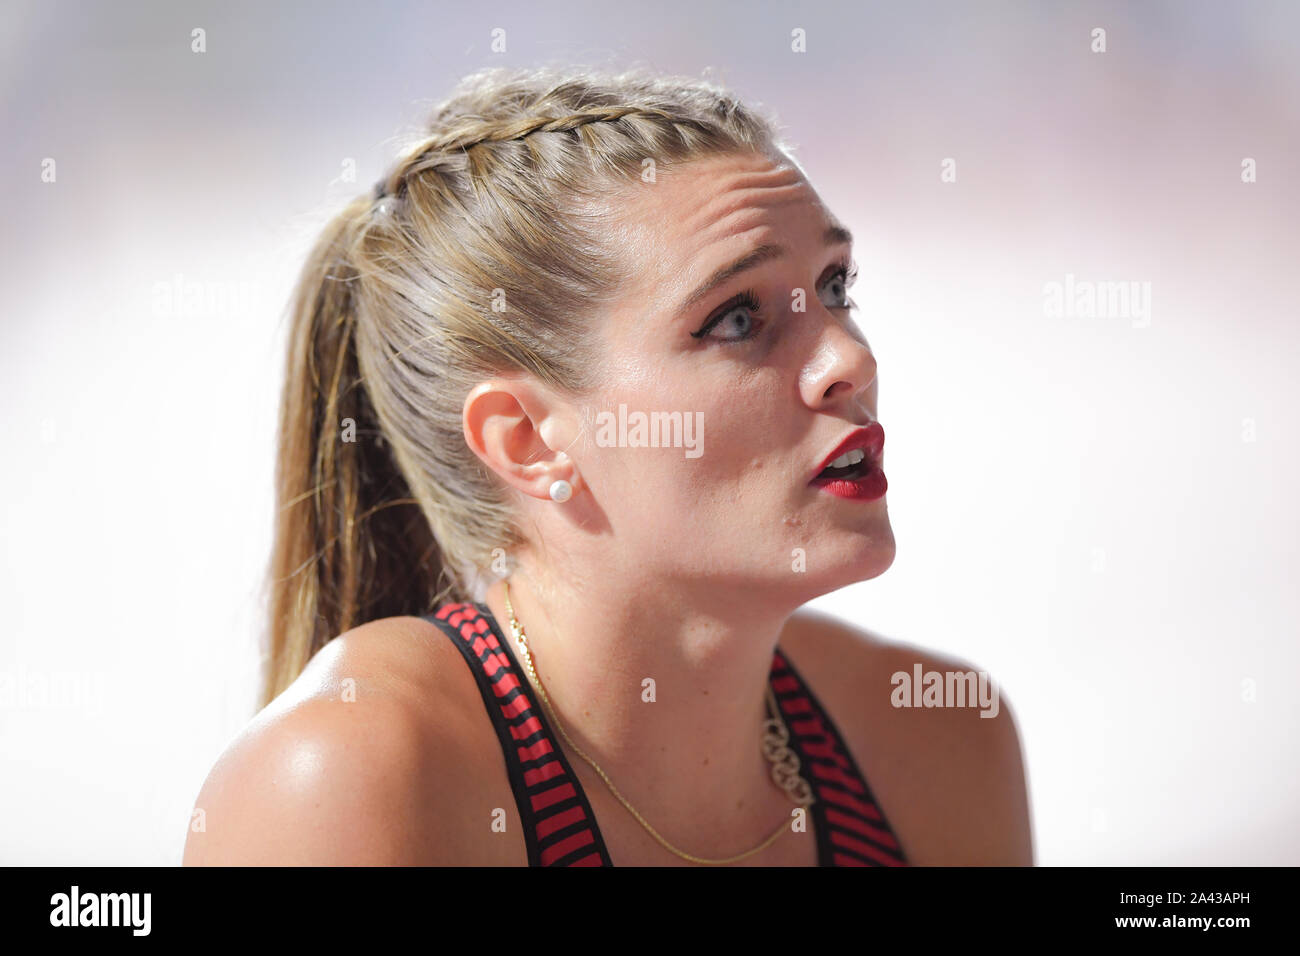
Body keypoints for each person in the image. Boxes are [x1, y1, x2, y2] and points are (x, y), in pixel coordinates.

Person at [183, 65, 1033, 866]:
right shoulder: (349, 780)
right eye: (737, 317)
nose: (849, 358)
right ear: (526, 438)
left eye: (836, 287)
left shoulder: (936, 738)